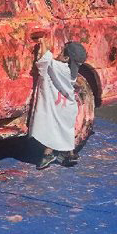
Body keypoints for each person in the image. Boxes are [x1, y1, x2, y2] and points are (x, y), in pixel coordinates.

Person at [31, 39, 87, 169]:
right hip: (69, 107)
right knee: (65, 130)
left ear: (67, 58)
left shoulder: (60, 68)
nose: (59, 54)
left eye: (62, 52)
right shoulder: (72, 73)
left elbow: (46, 58)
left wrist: (42, 42)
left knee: (52, 128)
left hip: (58, 106)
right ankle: (68, 154)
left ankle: (48, 154)